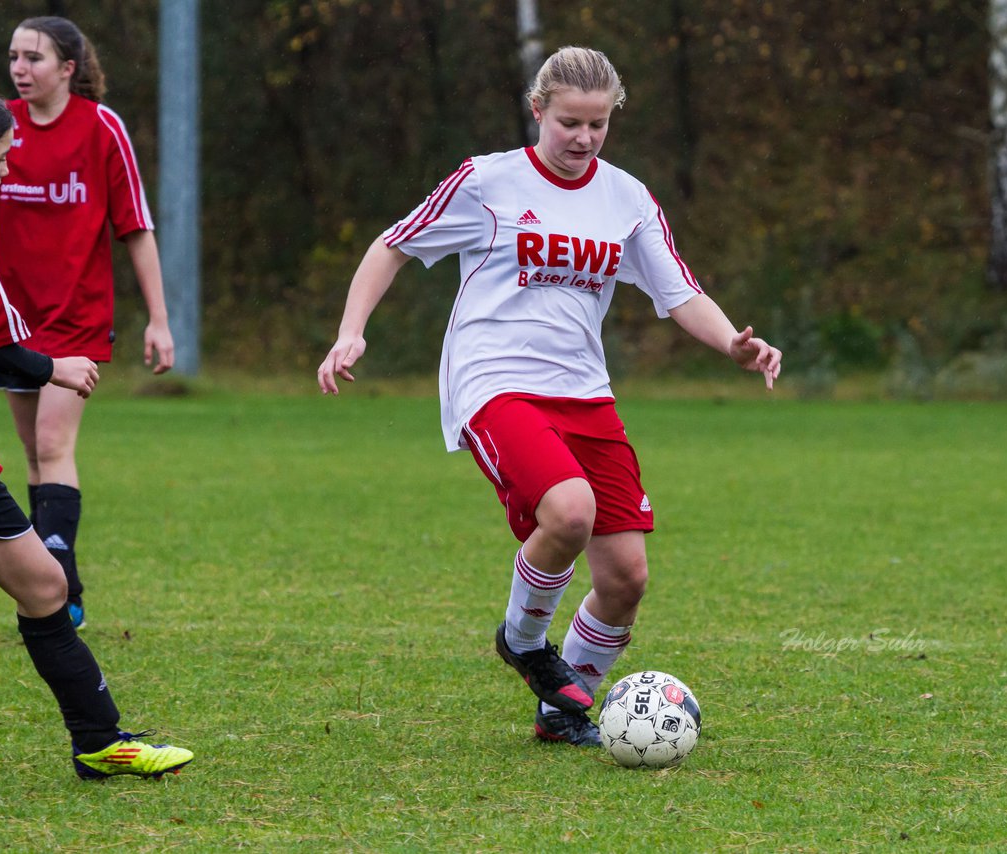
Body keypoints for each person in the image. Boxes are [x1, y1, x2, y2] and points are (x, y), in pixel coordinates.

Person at [318, 47, 782, 747]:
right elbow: (392, 246)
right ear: (538, 111)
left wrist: (733, 345)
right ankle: (525, 641)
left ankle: (564, 710)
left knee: (625, 577)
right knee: (569, 510)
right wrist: (350, 333)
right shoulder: (487, 182)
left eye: (598, 125)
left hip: (585, 394)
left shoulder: (626, 197)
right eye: (570, 122)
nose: (584, 138)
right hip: (495, 382)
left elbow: (678, 290)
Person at [0, 89, 192, 779]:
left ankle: (100, 742)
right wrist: (58, 365)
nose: (7, 172)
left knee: (46, 586)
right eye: (0, 160)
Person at [0, 16, 176, 628]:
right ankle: (62, 589)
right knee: (33, 457)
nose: (20, 67)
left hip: (76, 317)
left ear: (68, 68)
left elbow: (136, 230)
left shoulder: (101, 128)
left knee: (51, 443)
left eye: (34, 57)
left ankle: (56, 578)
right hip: (10, 318)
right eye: (14, 56)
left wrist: (159, 320)